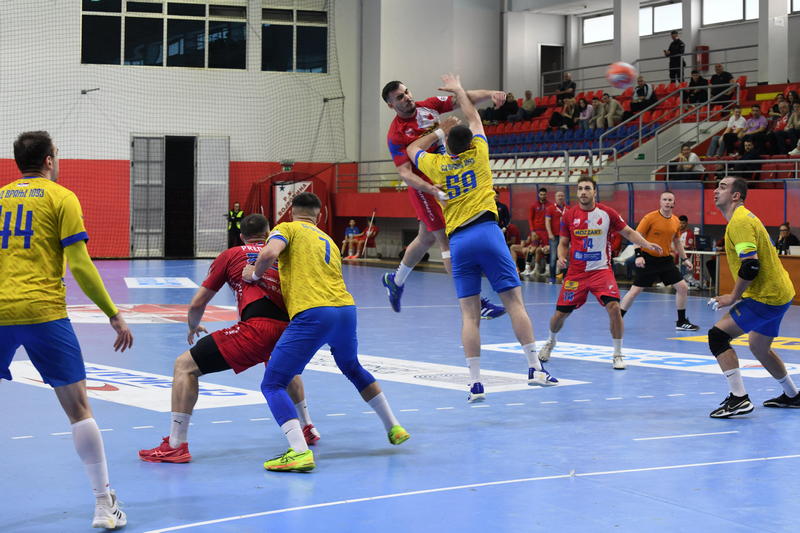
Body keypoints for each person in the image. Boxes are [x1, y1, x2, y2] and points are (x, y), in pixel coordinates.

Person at [0, 131, 133, 529]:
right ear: (48, 160)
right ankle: (103, 506)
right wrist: (112, 313)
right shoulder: (62, 198)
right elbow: (80, 264)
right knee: (78, 409)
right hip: (44, 312)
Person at [406, 73, 557, 401]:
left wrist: (439, 131)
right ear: (470, 143)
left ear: (448, 146)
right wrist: (458, 89)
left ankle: (475, 383)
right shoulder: (479, 154)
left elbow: (411, 148)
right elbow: (473, 116)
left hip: (459, 242)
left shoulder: (437, 165)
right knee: (514, 302)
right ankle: (535, 368)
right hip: (487, 232)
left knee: (469, 315)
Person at [243, 192, 409, 472]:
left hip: (313, 312)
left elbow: (269, 254)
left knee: (273, 384)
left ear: (291, 212)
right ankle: (394, 426)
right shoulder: (328, 239)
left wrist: (254, 274)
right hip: (346, 311)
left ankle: (299, 452)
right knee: (352, 367)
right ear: (320, 216)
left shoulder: (287, 228)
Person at [138, 214, 319, 464]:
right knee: (282, 369)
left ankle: (176, 445)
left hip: (257, 329)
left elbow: (198, 303)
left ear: (242, 236)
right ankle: (307, 427)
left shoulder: (232, 254)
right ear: (268, 234)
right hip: (291, 330)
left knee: (184, 366)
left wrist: (193, 326)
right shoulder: (282, 254)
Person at [380, 80, 506, 319]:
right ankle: (477, 303)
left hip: (445, 175)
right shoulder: (395, 134)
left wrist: (491, 93)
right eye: (399, 97)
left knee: (425, 238)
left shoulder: (428, 106)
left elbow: (464, 98)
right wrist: (431, 190)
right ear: (390, 105)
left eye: (406, 92)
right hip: (426, 188)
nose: (407, 98)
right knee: (445, 240)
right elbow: (405, 173)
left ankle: (395, 281)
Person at [537, 176, 662, 370]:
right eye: (580, 189)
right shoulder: (569, 216)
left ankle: (618, 354)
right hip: (576, 273)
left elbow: (629, 232)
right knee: (560, 315)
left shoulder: (607, 213)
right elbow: (563, 243)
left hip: (601, 271)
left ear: (595, 192)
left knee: (614, 307)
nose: (583, 192)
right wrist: (561, 257)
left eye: (587, 188)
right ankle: (550, 341)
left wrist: (647, 244)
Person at [706, 177, 798, 417]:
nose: (716, 190)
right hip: (781, 292)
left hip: (766, 296)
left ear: (736, 196)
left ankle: (739, 399)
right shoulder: (744, 218)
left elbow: (751, 266)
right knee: (759, 346)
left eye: (723, 187)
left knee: (718, 336)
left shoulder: (740, 221)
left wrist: (733, 297)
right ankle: (793, 395)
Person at [619, 191, 699, 331]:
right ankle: (617, 318)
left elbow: (677, 242)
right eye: (665, 199)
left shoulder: (676, 221)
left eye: (670, 200)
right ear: (660, 202)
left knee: (682, 287)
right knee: (635, 291)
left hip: (666, 261)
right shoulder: (649, 218)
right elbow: (636, 237)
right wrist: (638, 255)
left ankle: (681, 322)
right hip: (648, 259)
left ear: (674, 203)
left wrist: (685, 259)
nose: (667, 202)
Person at [526, 187, 551, 278]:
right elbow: (530, 219)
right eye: (541, 194)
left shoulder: (550, 205)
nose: (543, 196)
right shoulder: (533, 205)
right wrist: (532, 231)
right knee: (532, 249)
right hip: (536, 231)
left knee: (546, 249)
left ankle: (547, 270)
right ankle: (527, 269)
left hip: (545, 231)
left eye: (544, 194)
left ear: (546, 195)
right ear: (538, 195)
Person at [544, 190, 567, 284]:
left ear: (564, 197)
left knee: (565, 257)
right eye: (558, 196)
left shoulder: (568, 208)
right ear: (555, 197)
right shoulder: (550, 208)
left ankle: (564, 277)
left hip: (565, 237)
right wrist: (550, 233)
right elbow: (547, 221)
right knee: (553, 257)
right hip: (554, 236)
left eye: (562, 195)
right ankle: (552, 278)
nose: (560, 197)